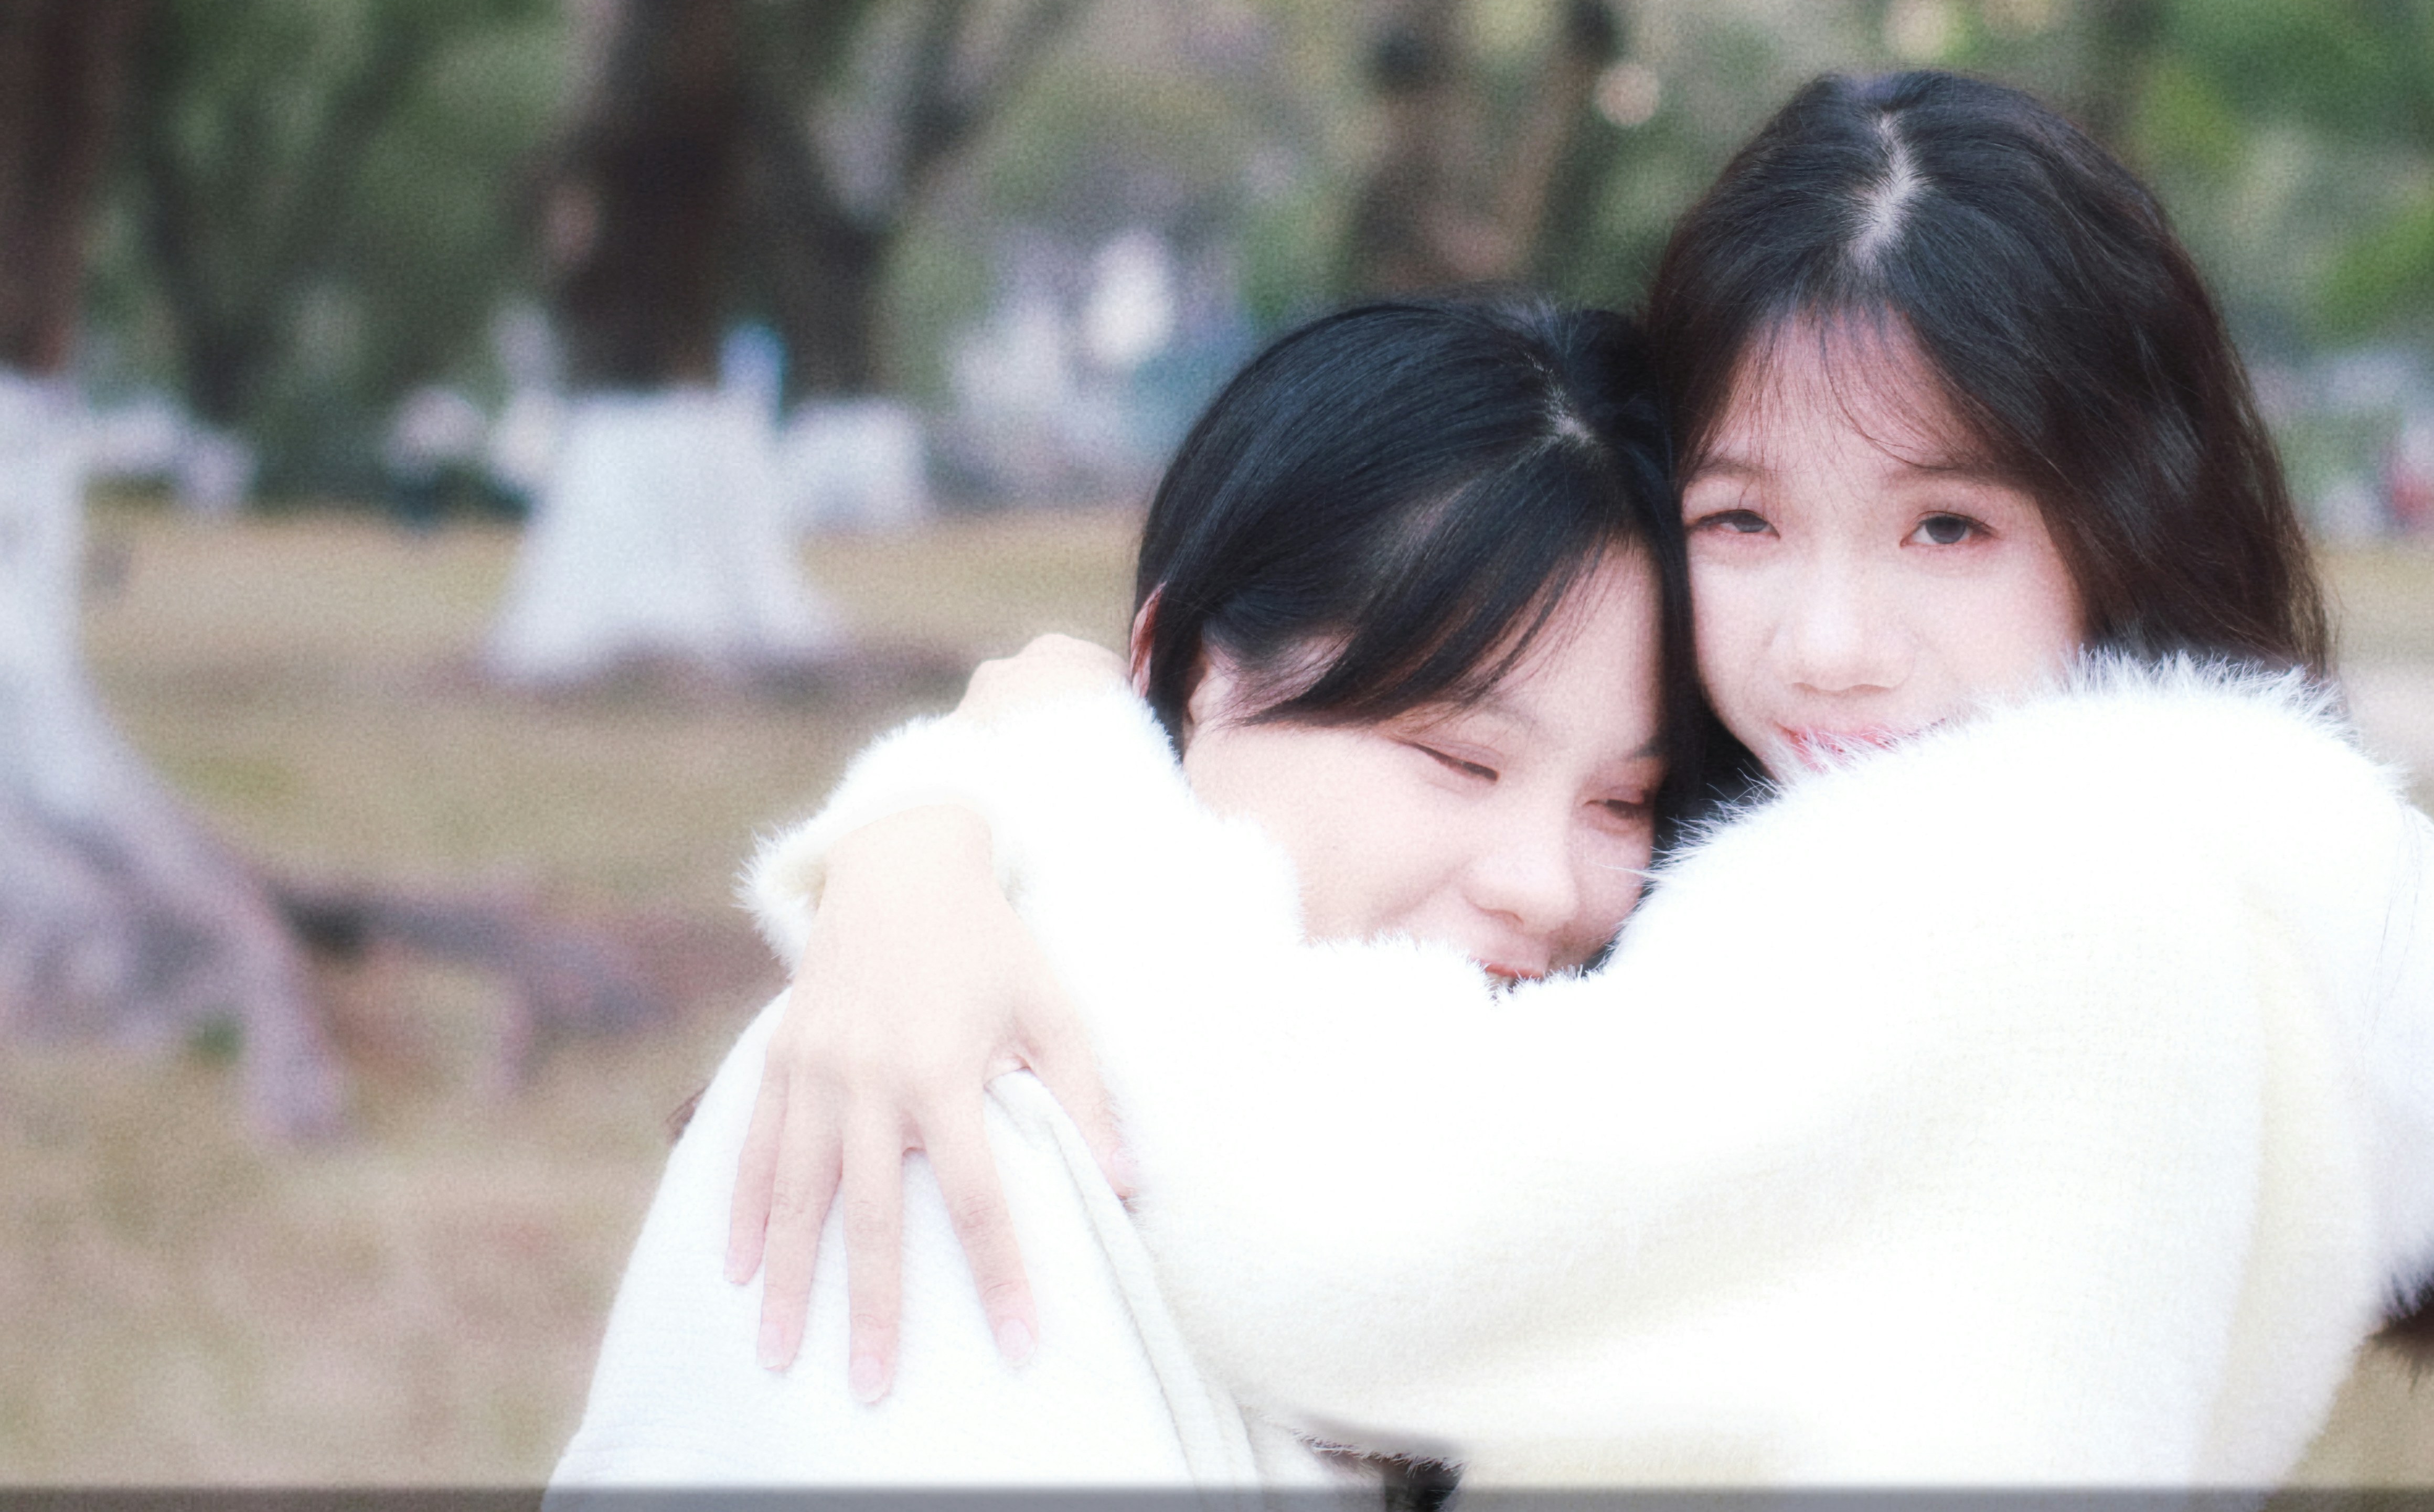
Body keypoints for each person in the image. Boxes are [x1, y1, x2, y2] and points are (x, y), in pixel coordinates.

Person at [719, 71, 2434, 1484]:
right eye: (1744, 516)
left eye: (1947, 524)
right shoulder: (2148, 904)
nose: (1830, 638)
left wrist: (1041, 787)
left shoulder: (2049, 925)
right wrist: (931, 840)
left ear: (2119, 525)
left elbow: (1333, 1236)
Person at [552, 298, 1709, 1487]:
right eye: (1459, 760)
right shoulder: (945, 1106)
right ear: (1192, 666)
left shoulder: (1523, 1176)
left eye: (1623, 804)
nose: (1544, 884)